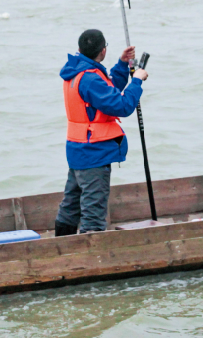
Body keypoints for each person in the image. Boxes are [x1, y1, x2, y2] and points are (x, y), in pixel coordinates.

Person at [55, 29, 149, 235]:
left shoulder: (77, 71)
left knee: (70, 206)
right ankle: (90, 259)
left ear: (80, 49)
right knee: (93, 214)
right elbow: (122, 105)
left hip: (78, 149)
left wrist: (123, 64)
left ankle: (60, 247)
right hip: (94, 152)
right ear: (103, 50)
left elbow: (106, 92)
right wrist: (137, 81)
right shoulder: (90, 78)